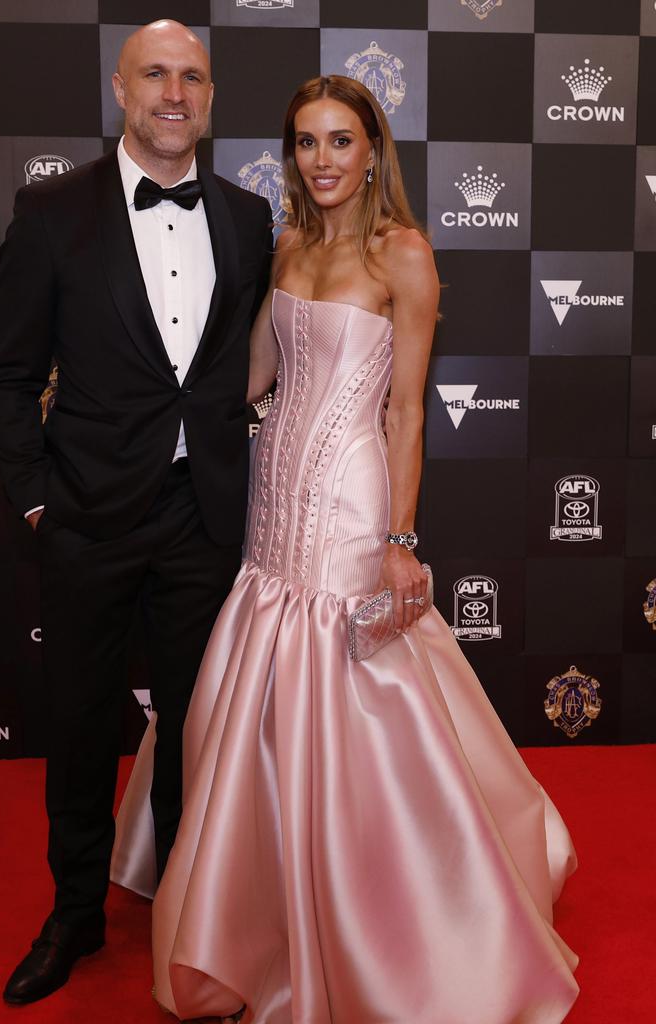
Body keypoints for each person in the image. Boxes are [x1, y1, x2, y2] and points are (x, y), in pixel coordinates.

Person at [116, 75, 580, 1022]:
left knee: (351, 694)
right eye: (304, 142)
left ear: (373, 151)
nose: (320, 160)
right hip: (272, 494)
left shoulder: (404, 253)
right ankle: (260, 908)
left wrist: (402, 541)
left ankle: (385, 913)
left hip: (352, 500)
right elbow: (250, 380)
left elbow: (406, 412)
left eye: (339, 140)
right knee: (259, 693)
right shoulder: (285, 247)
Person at [0, 20, 272, 1006]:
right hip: (87, 518)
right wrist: (33, 501)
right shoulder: (52, 210)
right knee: (75, 727)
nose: (175, 92)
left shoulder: (242, 216)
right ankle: (73, 915)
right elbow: (10, 374)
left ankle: (194, 919)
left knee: (199, 733)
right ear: (121, 86)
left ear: (210, 94)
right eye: (156, 73)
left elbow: (252, 369)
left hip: (203, 518)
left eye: (193, 76)